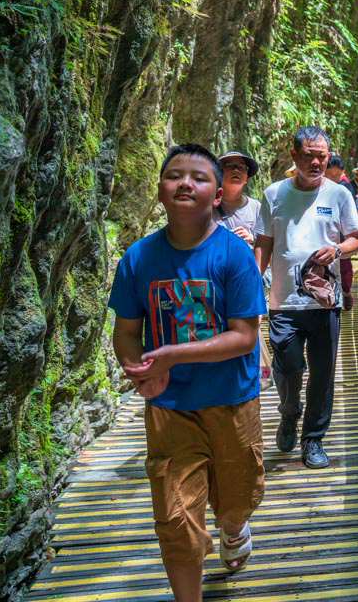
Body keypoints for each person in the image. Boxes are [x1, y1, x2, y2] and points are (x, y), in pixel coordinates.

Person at [108, 144, 267, 599]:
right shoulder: (138, 258)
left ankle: (234, 528)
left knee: (237, 497)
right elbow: (127, 331)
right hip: (170, 407)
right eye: (174, 175)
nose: (184, 183)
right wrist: (138, 367)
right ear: (160, 190)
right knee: (176, 518)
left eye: (198, 177)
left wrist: (173, 355)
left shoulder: (233, 256)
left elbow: (244, 336)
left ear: (217, 194)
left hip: (232, 400)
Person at [253, 127, 358, 469]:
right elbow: (264, 244)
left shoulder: (339, 195)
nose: (317, 162)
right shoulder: (274, 195)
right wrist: (254, 284)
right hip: (283, 301)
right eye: (310, 155)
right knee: (288, 368)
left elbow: (356, 239)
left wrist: (336, 249)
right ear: (295, 157)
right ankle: (289, 413)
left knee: (322, 373)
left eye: (322, 156)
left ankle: (313, 439)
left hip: (324, 302)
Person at [216, 150, 273, 391]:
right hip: (219, 280)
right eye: (229, 166)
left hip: (252, 278)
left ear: (248, 177)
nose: (237, 170)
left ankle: (259, 375)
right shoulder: (207, 209)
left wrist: (251, 240)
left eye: (242, 167)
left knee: (250, 321)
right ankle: (246, 375)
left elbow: (270, 246)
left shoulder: (258, 208)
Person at [324, 154, 354, 312]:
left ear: (342, 173)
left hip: (343, 234)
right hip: (324, 233)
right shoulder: (318, 187)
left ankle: (347, 292)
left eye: (337, 174)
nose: (334, 178)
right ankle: (327, 296)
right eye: (330, 174)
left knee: (344, 265)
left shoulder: (345, 189)